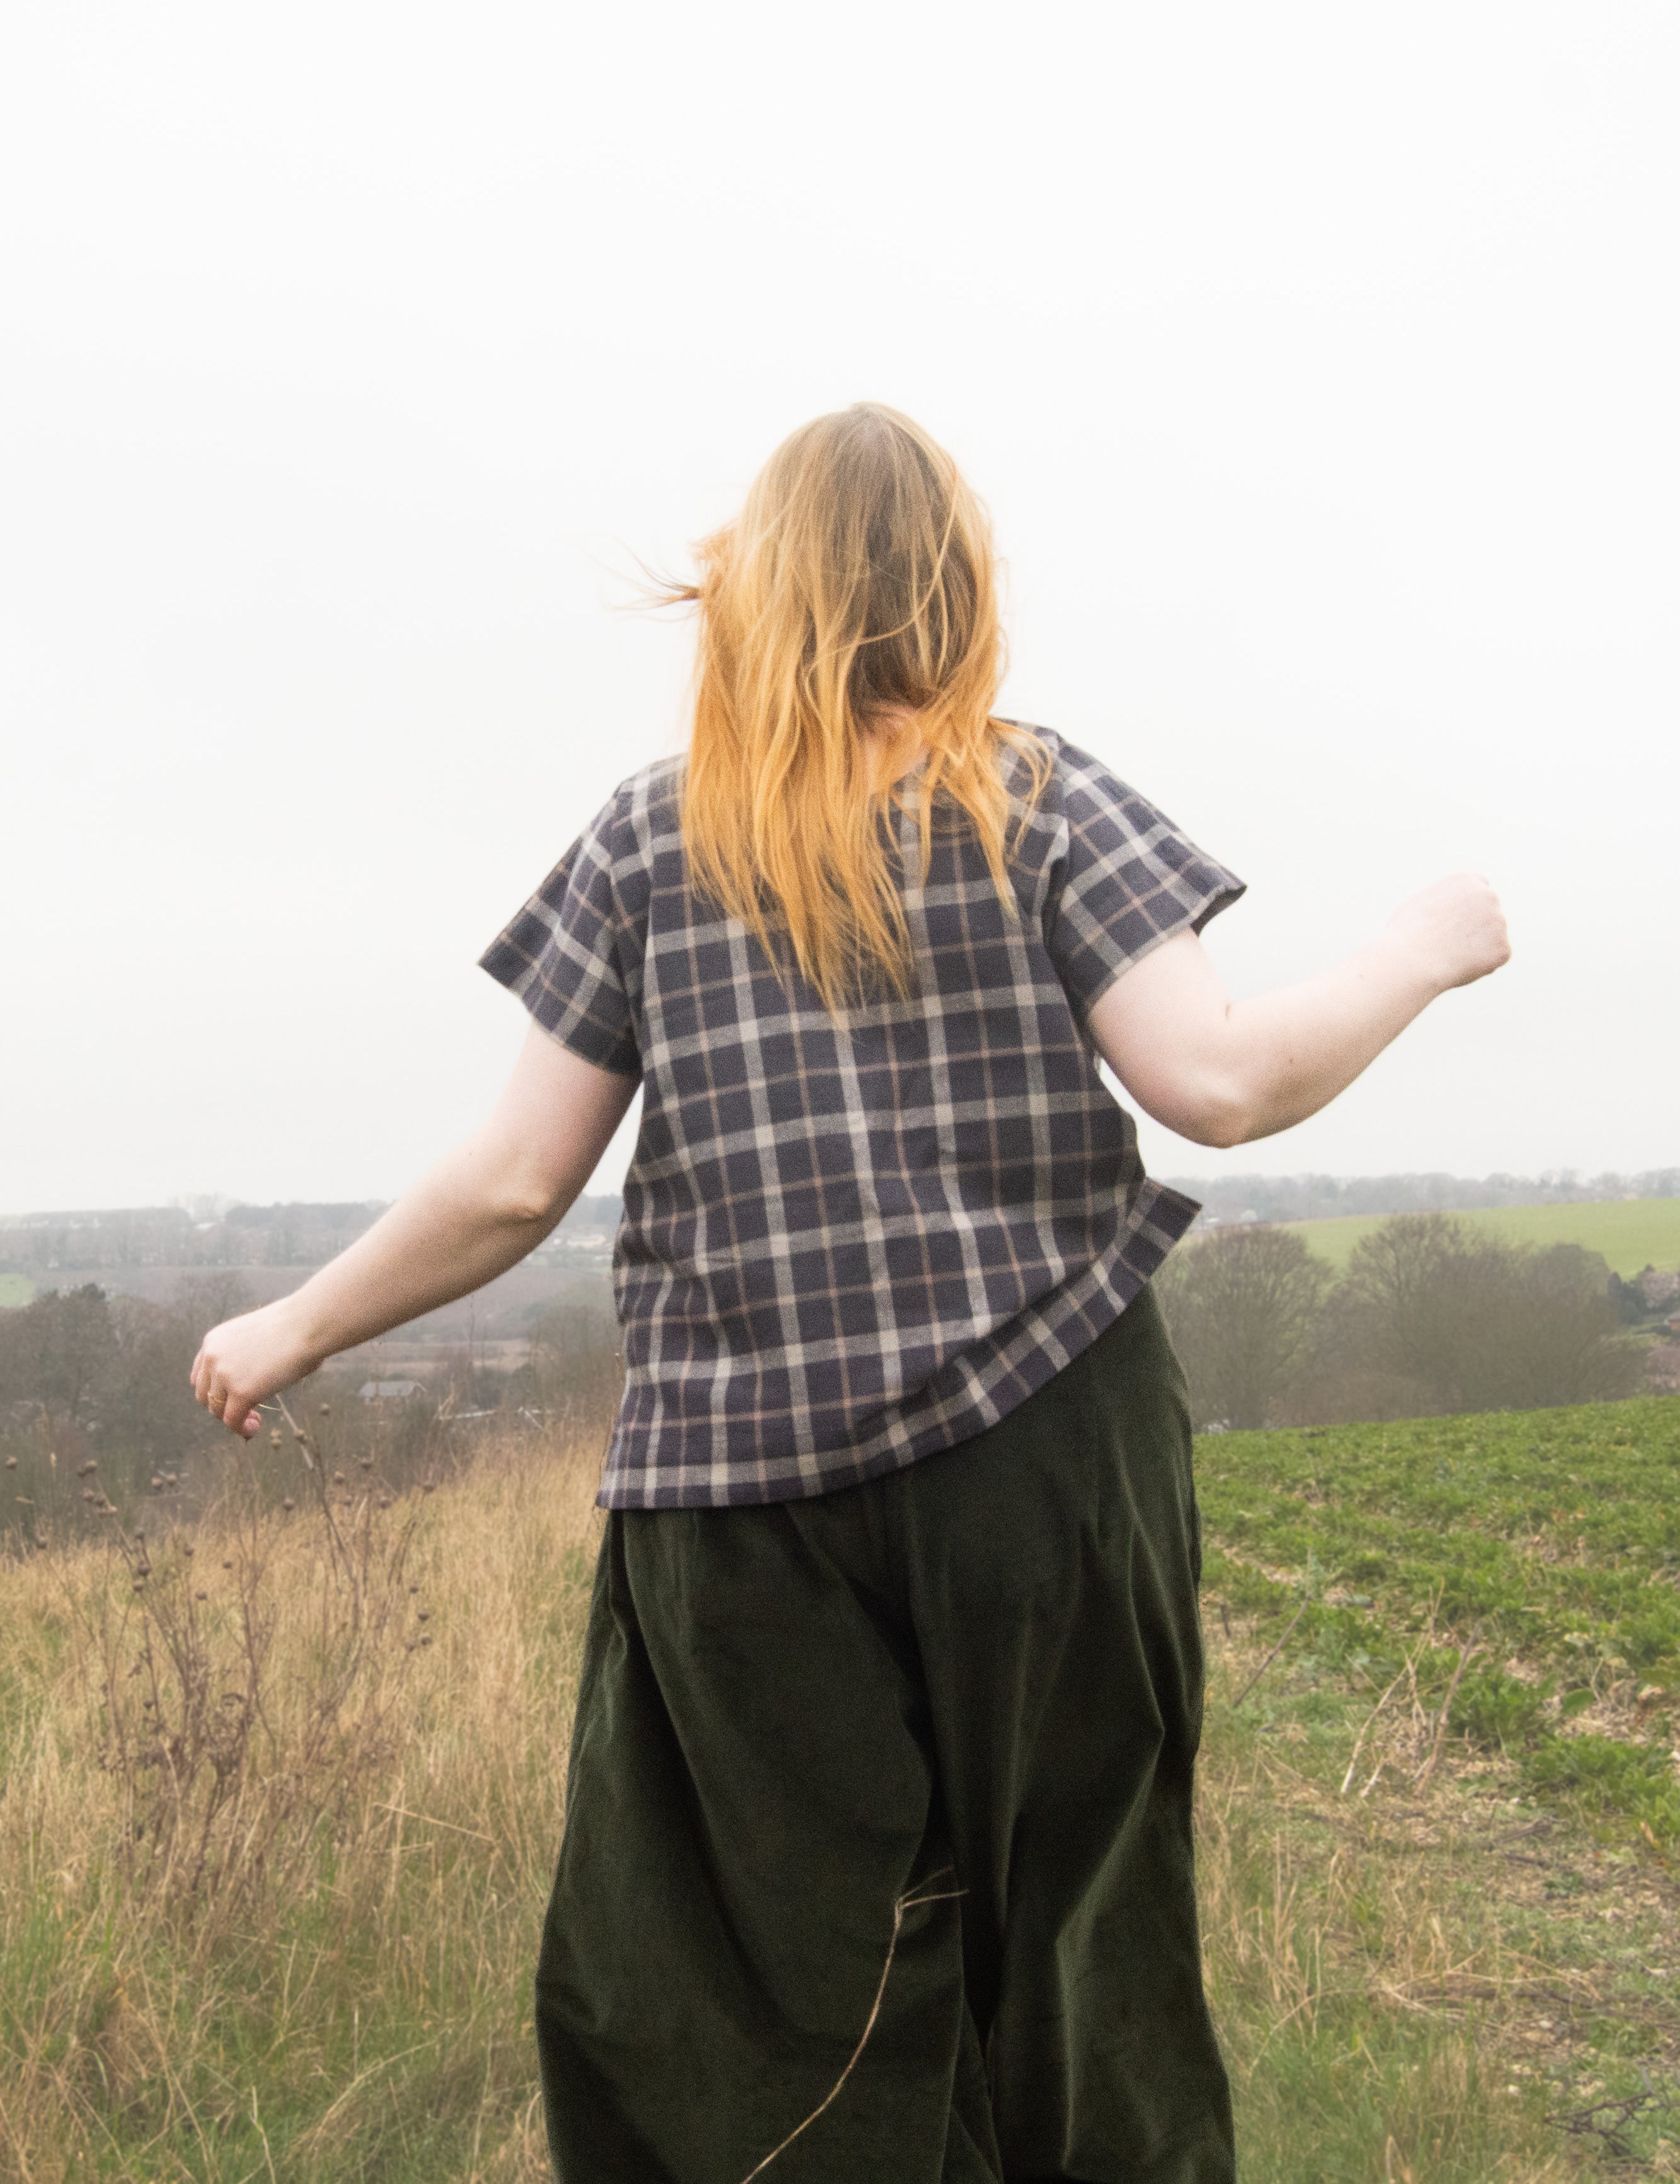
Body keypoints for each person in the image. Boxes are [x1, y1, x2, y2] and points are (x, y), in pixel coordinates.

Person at [191, 403, 1510, 2183]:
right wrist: (1419, 945)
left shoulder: (652, 842)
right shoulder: (1030, 790)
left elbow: (514, 1181)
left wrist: (297, 1322)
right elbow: (1217, 1081)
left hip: (745, 1514)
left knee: (762, 1989)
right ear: (951, 593)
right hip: (1043, 1461)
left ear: (756, 601)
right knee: (1076, 1935)